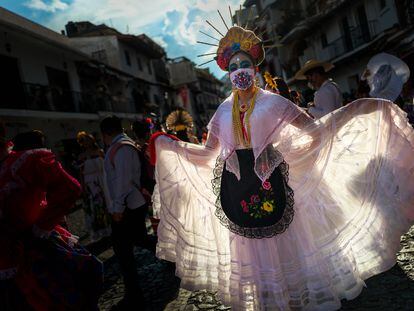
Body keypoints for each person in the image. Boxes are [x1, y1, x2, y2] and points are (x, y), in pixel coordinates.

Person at [150, 22, 414, 310]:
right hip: (237, 188)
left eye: (245, 64)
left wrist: (352, 112)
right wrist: (174, 148)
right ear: (227, 73)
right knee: (251, 250)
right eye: (234, 66)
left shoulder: (273, 102)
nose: (240, 70)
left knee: (285, 247)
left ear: (255, 68)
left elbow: (314, 130)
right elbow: (209, 152)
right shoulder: (223, 110)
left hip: (272, 182)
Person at [0, 130, 103, 310]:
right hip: (8, 258)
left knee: (66, 296)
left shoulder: (21, 163)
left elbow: (70, 188)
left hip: (33, 250)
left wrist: (41, 226)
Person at [100, 116, 154, 310]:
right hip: (129, 205)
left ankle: (134, 294)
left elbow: (122, 182)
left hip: (128, 207)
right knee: (138, 241)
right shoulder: (121, 146)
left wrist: (117, 208)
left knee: (124, 251)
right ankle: (170, 255)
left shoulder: (122, 148)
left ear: (106, 133)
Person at [77, 131, 111, 242]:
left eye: (89, 139)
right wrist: (82, 187)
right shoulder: (81, 156)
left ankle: (109, 228)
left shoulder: (100, 152)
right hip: (90, 183)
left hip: (102, 181)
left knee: (104, 205)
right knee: (94, 207)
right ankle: (98, 230)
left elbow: (107, 167)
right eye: (85, 140)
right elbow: (81, 173)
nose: (87, 142)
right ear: (82, 143)